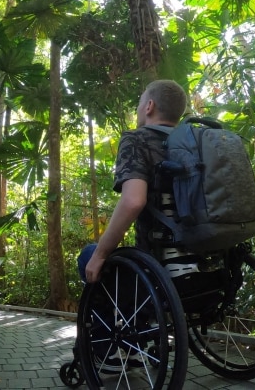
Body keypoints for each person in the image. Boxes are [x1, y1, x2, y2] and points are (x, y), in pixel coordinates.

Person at [80, 79, 188, 284]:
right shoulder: (195, 145)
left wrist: (100, 255)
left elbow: (133, 201)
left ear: (149, 106)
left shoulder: (136, 139)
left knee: (89, 254)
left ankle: (110, 316)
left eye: (140, 103)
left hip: (157, 264)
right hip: (207, 257)